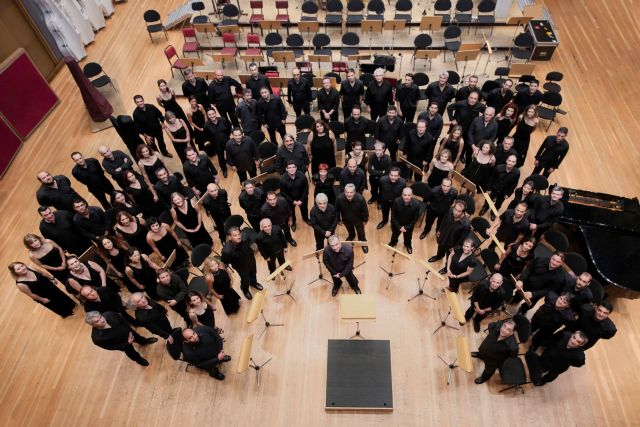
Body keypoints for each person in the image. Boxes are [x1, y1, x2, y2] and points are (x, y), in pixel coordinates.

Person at [86, 311, 157, 366]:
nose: (102, 320)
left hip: (129, 332)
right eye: (97, 321)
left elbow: (122, 319)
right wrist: (127, 343)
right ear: (93, 325)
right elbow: (111, 347)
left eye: (100, 317)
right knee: (131, 353)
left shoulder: (109, 314)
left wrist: (129, 329)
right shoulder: (97, 338)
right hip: (123, 344)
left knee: (138, 337)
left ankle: (144, 341)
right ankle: (138, 359)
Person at [10, 261, 76, 318]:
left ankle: (72, 305)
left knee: (61, 296)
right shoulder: (20, 284)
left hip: (50, 287)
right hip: (43, 295)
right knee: (56, 305)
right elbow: (31, 294)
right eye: (18, 269)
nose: (22, 268)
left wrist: (51, 278)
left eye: (22, 265)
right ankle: (67, 313)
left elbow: (42, 273)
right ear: (15, 272)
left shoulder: (31, 268)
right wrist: (42, 299)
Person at [221, 227, 264, 300]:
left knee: (253, 273)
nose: (238, 237)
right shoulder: (227, 251)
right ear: (230, 237)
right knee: (245, 279)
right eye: (235, 235)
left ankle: (254, 283)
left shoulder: (245, 237)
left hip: (251, 260)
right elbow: (225, 263)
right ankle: (245, 290)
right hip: (241, 267)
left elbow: (255, 237)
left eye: (239, 234)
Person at [428, 199, 470, 273]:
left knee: (449, 257)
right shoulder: (450, 211)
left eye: (459, 211)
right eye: (455, 209)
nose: (456, 212)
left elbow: (462, 240)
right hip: (443, 235)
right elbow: (444, 220)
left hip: (452, 244)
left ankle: (446, 268)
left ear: (463, 212)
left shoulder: (466, 225)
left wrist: (455, 248)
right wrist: (440, 230)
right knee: (440, 248)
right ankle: (439, 256)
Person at [471, 319, 518, 384]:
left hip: (493, 361)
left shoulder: (513, 347)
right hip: (485, 349)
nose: (504, 330)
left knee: (488, 371)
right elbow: (490, 326)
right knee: (482, 352)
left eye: (508, 330)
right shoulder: (496, 326)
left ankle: (484, 378)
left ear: (512, 333)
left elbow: (511, 357)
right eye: (504, 326)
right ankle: (480, 355)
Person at [446, 91, 485, 162]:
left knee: (466, 142)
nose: (472, 100)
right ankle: (448, 153)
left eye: (475, 99)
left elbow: (485, 112)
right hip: (459, 126)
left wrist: (480, 120)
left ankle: (461, 155)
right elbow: (449, 108)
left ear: (477, 100)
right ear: (468, 97)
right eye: (471, 98)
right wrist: (452, 119)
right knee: (454, 140)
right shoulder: (461, 103)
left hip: (470, 128)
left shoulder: (480, 106)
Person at [335, 184, 369, 253]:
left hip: (358, 219)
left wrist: (365, 220)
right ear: (344, 192)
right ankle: (352, 235)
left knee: (361, 232)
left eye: (351, 192)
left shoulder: (360, 199)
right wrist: (338, 220)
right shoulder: (339, 198)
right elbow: (336, 210)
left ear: (354, 192)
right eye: (347, 192)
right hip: (346, 219)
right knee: (350, 230)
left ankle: (363, 242)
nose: (349, 194)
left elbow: (365, 210)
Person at [389, 188, 420, 254]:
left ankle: (408, 245)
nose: (406, 197)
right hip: (397, 225)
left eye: (409, 195)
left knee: (408, 238)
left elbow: (415, 219)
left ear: (412, 195)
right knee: (394, 235)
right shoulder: (396, 201)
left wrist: (406, 227)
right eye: (404, 195)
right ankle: (393, 242)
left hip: (408, 226)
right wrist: (399, 227)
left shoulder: (417, 204)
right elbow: (393, 216)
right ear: (402, 194)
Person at [279, 161, 310, 227]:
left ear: (296, 168)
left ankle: (305, 218)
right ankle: (293, 223)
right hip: (290, 199)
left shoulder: (302, 176)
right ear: (286, 169)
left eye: (293, 167)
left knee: (304, 209)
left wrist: (301, 200)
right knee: (291, 212)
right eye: (289, 167)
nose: (292, 169)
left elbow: (305, 188)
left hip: (302, 197)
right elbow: (283, 193)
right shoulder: (282, 179)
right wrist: (292, 201)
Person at [203, 107, 229, 175]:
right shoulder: (206, 126)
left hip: (226, 142)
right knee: (221, 158)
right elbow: (206, 136)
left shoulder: (223, 120)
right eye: (209, 114)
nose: (212, 116)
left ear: (215, 113)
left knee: (231, 153)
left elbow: (228, 129)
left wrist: (227, 137)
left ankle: (232, 163)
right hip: (217, 145)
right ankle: (224, 169)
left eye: (213, 113)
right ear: (207, 116)